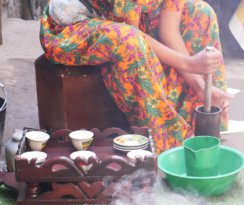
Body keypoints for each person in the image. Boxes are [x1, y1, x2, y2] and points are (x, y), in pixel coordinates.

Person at [40, 0, 232, 153]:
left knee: (200, 11)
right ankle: (166, 142)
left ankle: (197, 126)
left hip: (127, 24)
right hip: (73, 25)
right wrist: (189, 63)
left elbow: (169, 30)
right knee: (129, 41)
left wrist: (201, 87)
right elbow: (134, 35)